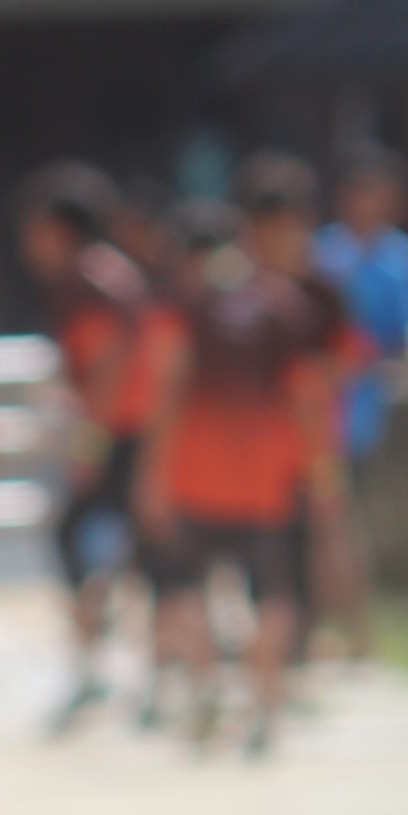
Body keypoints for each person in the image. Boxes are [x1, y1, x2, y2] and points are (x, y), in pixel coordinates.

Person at [134, 166, 355, 758]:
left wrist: (151, 475)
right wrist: (323, 474)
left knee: (183, 586)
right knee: (273, 596)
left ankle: (207, 680)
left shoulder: (191, 300)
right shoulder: (288, 305)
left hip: (195, 476)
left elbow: (167, 389)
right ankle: (264, 704)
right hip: (264, 481)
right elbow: (310, 397)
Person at [14, 161, 164, 728]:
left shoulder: (87, 282)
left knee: (84, 540)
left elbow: (106, 366)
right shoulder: (106, 272)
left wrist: (89, 444)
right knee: (127, 550)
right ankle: (129, 661)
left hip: (123, 430)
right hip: (130, 427)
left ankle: (106, 660)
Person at [315, 143, 408, 657]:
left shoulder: (403, 261)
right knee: (325, 521)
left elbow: (407, 338)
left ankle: (353, 630)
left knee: (349, 522)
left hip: (368, 411)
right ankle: (331, 625)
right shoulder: (322, 253)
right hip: (315, 408)